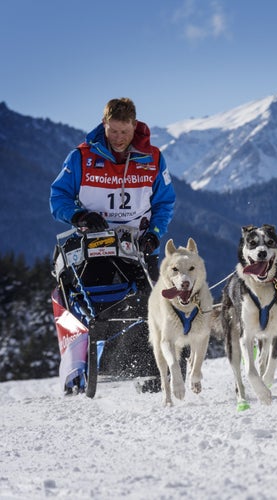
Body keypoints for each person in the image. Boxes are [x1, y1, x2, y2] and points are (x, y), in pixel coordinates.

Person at [50, 97, 176, 393]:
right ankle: (83, 369)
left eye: (125, 132)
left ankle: (151, 370)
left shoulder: (154, 158)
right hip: (93, 247)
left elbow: (165, 203)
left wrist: (155, 234)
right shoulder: (80, 158)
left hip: (138, 248)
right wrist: (79, 215)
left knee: (150, 306)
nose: (118, 139)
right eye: (113, 131)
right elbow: (58, 199)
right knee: (94, 305)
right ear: (103, 125)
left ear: (135, 126)